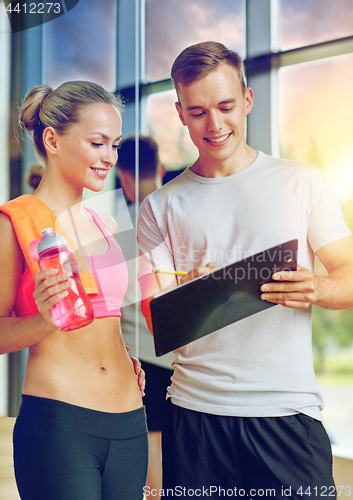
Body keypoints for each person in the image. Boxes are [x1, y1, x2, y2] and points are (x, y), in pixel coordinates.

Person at [136, 41, 353, 498]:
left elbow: (349, 275)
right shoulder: (160, 207)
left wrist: (316, 286)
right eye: (197, 112)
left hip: (287, 414)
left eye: (226, 106)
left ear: (248, 100)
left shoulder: (302, 181)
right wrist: (202, 292)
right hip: (195, 417)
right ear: (179, 113)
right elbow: (155, 317)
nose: (214, 125)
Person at [0, 81, 148, 500]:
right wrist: (45, 321)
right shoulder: (14, 221)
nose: (110, 158)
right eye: (98, 143)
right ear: (52, 140)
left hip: (129, 422)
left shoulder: (106, 224)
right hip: (60, 425)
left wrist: (121, 359)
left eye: (115, 145)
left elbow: (107, 322)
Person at [116, 135, 175, 499]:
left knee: (154, 483)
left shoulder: (116, 230)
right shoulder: (181, 221)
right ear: (162, 170)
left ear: (123, 176)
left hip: (143, 364)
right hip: (186, 362)